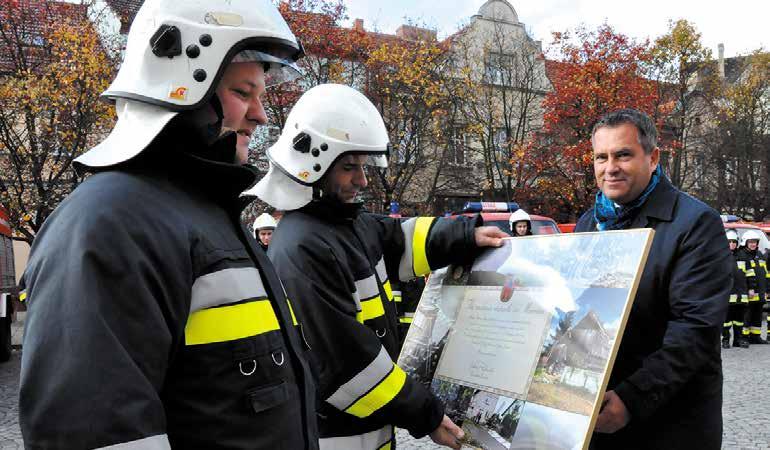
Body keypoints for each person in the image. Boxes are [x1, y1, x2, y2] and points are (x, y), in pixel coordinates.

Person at [18, 1, 318, 448]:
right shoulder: (110, 223)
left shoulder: (206, 215)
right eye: (243, 92)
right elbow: (97, 433)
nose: (261, 114)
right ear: (183, 87)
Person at [247, 83, 509, 449]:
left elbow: (401, 238)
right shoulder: (302, 248)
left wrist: (468, 235)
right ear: (313, 167)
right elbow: (345, 362)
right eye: (349, 167)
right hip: (338, 437)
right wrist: (426, 414)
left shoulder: (345, 224)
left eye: (364, 165)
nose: (363, 180)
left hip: (369, 427)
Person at [574, 109, 731, 449]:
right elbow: (575, 305)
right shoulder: (588, 223)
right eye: (601, 157)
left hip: (668, 422)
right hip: (598, 417)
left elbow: (695, 329)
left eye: (623, 154)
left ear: (653, 157)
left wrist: (632, 399)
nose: (610, 167)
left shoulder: (695, 223)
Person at [735, 229, 768, 344]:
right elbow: (741, 276)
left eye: (755, 242)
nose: (753, 244)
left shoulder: (759, 255)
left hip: (760, 291)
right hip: (749, 291)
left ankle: (755, 336)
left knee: (757, 314)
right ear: (745, 242)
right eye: (751, 242)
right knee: (746, 314)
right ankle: (743, 337)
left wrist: (767, 289)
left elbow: (765, 273)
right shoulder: (741, 255)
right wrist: (749, 289)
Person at [723, 229, 749, 348]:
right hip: (727, 294)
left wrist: (751, 288)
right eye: (729, 241)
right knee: (726, 320)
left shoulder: (743, 256)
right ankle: (726, 340)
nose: (732, 244)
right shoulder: (721, 256)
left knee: (739, 320)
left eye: (734, 242)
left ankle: (737, 340)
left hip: (741, 294)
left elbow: (750, 274)